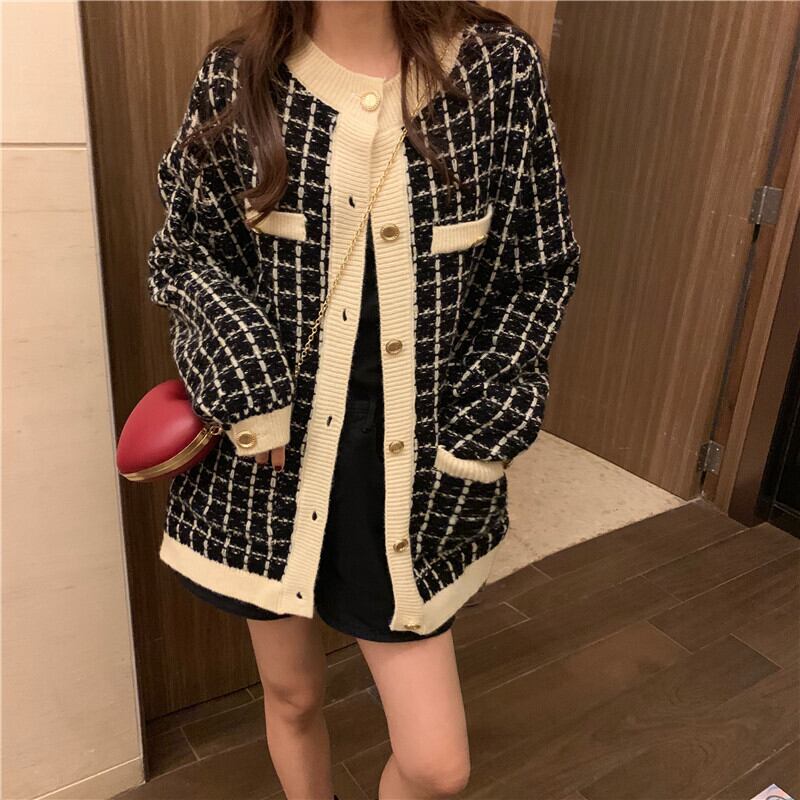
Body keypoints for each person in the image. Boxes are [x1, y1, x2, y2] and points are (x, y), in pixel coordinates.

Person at [146, 2, 581, 798]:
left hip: (410, 470)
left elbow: (536, 269)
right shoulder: (238, 76)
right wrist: (248, 381)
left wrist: (480, 433)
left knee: (436, 765)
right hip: (269, 460)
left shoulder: (494, 71)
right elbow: (189, 252)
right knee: (292, 695)